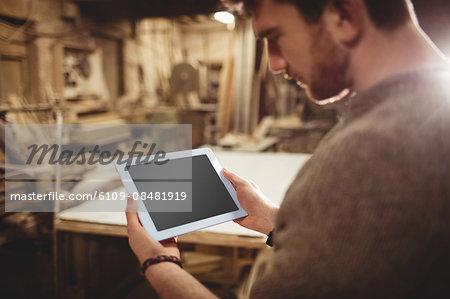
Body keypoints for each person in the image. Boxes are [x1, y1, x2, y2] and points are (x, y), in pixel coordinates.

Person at [126, 0, 450, 297]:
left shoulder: (375, 148)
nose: (275, 64)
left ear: (344, 15)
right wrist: (272, 219)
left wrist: (159, 263)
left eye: (274, 35)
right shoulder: (428, 114)